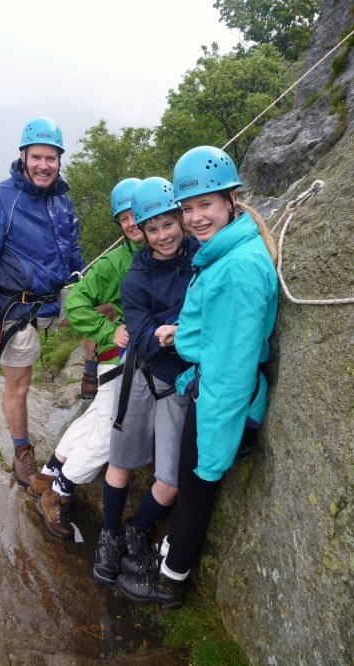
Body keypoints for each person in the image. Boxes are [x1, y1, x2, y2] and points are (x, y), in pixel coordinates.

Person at [116, 146, 279, 607]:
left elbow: (231, 374)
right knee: (189, 485)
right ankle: (167, 553)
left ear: (230, 200)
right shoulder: (225, 252)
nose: (194, 218)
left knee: (195, 490)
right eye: (187, 208)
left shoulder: (236, 271)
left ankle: (170, 579)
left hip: (221, 403)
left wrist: (212, 453)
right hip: (207, 387)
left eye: (204, 205)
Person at [93, 177, 199, 587]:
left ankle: (137, 528)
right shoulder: (135, 279)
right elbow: (142, 340)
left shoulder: (202, 256)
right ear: (141, 232)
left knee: (170, 478)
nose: (162, 235)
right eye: (151, 229)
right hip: (141, 373)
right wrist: (181, 330)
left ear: (180, 219)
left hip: (179, 381)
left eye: (168, 224)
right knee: (121, 459)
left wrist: (172, 330)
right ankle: (109, 534)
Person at [0, 116, 84, 488]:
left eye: (51, 158)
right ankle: (22, 453)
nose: (44, 165)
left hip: (57, 295)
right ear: (22, 156)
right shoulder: (0, 197)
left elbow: (72, 245)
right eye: (37, 157)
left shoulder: (61, 197)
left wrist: (85, 281)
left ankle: (93, 378)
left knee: (107, 307)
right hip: (17, 308)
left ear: (60, 160)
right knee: (19, 385)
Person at [28, 178, 144, 538]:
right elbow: (75, 303)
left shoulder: (148, 251)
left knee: (97, 416)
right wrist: (110, 332)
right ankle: (59, 492)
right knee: (111, 434)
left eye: (134, 214)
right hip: (120, 357)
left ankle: (48, 473)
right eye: (122, 219)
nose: (130, 223)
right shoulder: (115, 262)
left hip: (121, 359)